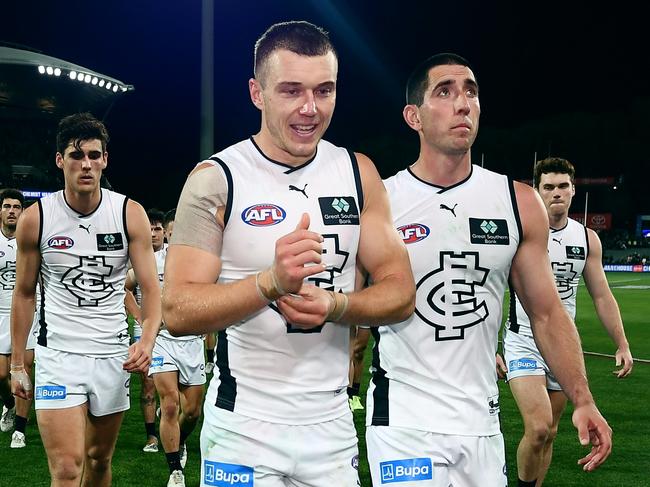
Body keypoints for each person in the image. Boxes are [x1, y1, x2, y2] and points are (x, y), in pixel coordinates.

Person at [162, 21, 415, 487]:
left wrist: (339, 306)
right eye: (291, 90)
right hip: (243, 426)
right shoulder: (217, 178)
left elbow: (401, 294)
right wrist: (269, 282)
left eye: (324, 90)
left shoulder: (358, 173)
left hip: (332, 425)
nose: (309, 108)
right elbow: (177, 310)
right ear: (257, 93)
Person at [364, 53, 612, 487]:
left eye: (471, 92)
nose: (464, 103)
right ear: (413, 116)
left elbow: (547, 313)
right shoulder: (382, 200)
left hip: (480, 419)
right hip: (402, 417)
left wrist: (582, 397)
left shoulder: (516, 201)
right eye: (445, 92)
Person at [10, 112, 161, 487]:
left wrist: (146, 338)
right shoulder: (36, 218)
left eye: (95, 155)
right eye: (77, 156)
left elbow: (151, 288)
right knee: (65, 468)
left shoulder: (129, 213)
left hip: (112, 355)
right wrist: (17, 363)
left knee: (98, 460)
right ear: (60, 161)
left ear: (105, 159)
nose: (86, 164)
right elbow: (24, 293)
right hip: (58, 355)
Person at [503, 157, 633, 486]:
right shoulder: (519, 234)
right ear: (537, 191)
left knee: (551, 433)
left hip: (562, 346)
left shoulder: (587, 239)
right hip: (523, 341)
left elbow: (602, 296)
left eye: (563, 186)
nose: (556, 192)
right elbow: (490, 291)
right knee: (538, 427)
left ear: (573, 190)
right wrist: (489, 346)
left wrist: (622, 342)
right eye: (548, 186)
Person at [131, 207, 205, 487]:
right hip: (163, 342)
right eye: (169, 233)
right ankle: (175, 470)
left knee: (193, 412)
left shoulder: (201, 264)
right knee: (170, 404)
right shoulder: (152, 262)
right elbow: (128, 286)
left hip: (192, 342)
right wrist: (142, 316)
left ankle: (180, 440)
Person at [124, 209, 167, 453]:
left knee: (170, 389)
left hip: (173, 331)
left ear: (164, 232)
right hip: (145, 330)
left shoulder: (174, 257)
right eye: (149, 229)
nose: (153, 233)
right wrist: (140, 317)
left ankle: (168, 416)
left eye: (157, 229)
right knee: (148, 383)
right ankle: (151, 436)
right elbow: (125, 288)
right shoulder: (138, 259)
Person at [0, 189, 38, 448]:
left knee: (23, 369)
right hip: (0, 313)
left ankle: (21, 431)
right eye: (7, 206)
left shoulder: (29, 239)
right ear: (0, 211)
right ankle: (10, 405)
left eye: (16, 206)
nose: (12, 210)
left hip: (25, 313)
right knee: (2, 374)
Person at [347, 325, 371, 411]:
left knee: (358, 353)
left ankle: (355, 393)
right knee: (349, 351)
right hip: (348, 314)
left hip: (365, 315)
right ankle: (350, 394)